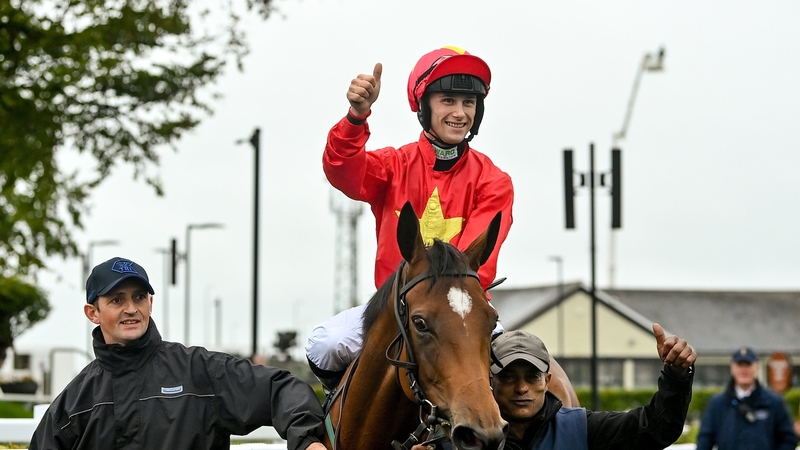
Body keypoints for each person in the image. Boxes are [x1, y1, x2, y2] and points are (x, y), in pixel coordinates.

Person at [307, 46, 514, 389]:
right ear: (424, 106)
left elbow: (476, 263)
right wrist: (356, 117)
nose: (460, 113)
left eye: (469, 103)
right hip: (394, 310)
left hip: (464, 314)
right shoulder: (392, 166)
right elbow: (341, 170)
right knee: (325, 344)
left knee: (514, 374)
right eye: (448, 100)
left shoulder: (494, 182)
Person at [30, 257, 326, 450]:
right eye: (117, 300)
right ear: (92, 312)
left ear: (150, 303)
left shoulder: (201, 371)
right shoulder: (75, 402)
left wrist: (308, 441)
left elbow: (280, 388)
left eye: (139, 297)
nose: (131, 308)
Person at [415, 325, 694, 450]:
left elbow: (657, 429)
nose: (522, 387)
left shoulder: (582, 429)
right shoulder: (460, 440)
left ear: (546, 381)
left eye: (532, 376)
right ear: (492, 381)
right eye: (509, 377)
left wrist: (676, 375)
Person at [696, 346, 798, 450]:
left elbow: (789, 439)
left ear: (756, 367)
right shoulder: (717, 404)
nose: (744, 370)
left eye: (748, 365)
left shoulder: (774, 402)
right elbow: (705, 440)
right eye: (740, 365)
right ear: (732, 368)